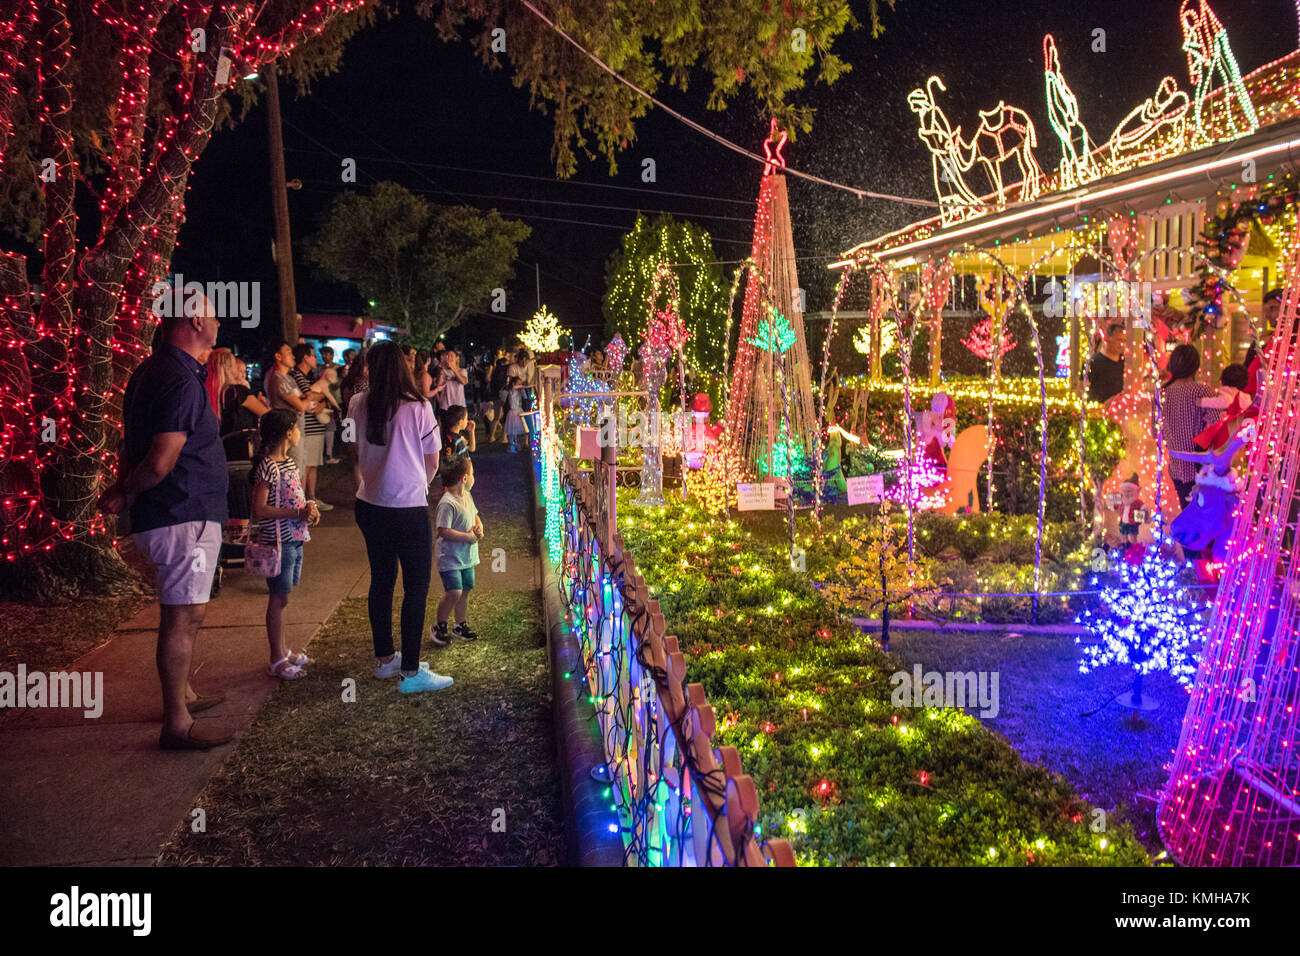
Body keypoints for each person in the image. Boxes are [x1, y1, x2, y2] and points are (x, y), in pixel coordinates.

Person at [99, 295, 233, 750]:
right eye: (213, 313)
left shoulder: (155, 370)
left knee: (183, 611)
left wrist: (125, 490)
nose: (217, 322)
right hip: (182, 513)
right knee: (184, 616)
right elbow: (160, 460)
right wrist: (125, 491)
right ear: (195, 319)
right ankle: (177, 722)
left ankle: (184, 696)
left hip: (177, 512)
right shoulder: (179, 379)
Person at [348, 340, 452, 693]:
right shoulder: (418, 407)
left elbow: (354, 449)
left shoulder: (356, 404)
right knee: (416, 587)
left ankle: (386, 659)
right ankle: (410, 672)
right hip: (407, 507)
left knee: (381, 581)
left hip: (370, 504)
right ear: (403, 368)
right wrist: (417, 483)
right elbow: (433, 459)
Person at [250, 409, 319, 680]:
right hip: (278, 542)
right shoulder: (268, 465)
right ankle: (276, 659)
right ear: (288, 432)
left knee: (284, 597)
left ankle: (283, 650)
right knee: (278, 598)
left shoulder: (289, 464)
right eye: (297, 427)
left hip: (294, 539)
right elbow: (259, 509)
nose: (300, 432)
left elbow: (294, 500)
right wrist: (296, 514)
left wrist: (309, 510)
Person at [431, 454, 482, 646]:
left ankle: (460, 625)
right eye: (472, 473)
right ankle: (440, 626)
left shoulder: (466, 496)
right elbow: (443, 530)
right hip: (450, 558)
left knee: (465, 590)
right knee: (454, 592)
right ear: (464, 478)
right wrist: (467, 537)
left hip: (467, 556)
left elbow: (475, 515)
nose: (474, 477)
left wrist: (479, 528)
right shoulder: (447, 503)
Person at [1161, 343, 1216, 509]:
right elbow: (1215, 426)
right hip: (1201, 465)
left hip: (1176, 464)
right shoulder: (1202, 391)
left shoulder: (1162, 394)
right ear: (1196, 365)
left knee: (1186, 511)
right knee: (1203, 513)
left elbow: (1156, 431)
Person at [264, 341, 322, 490]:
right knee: (293, 472)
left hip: (297, 430)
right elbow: (302, 404)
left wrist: (305, 401)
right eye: (288, 352)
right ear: (278, 356)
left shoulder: (288, 378)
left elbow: (303, 398)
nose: (293, 356)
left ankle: (299, 506)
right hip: (287, 432)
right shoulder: (278, 379)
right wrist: (307, 402)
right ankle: (294, 507)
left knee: (300, 469)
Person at [289, 344, 332, 512]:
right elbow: (309, 397)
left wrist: (321, 399)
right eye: (313, 355)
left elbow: (316, 399)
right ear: (305, 357)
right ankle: (303, 503)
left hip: (315, 427)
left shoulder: (309, 377)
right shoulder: (296, 376)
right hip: (306, 427)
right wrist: (324, 394)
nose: (316, 359)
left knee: (312, 465)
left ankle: (311, 499)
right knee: (305, 466)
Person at [1088, 323, 1125, 403]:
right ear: (1107, 340)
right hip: (1098, 410)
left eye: (1124, 340)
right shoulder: (1094, 362)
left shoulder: (1125, 363)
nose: (1122, 344)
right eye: (1119, 340)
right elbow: (1082, 388)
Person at [318, 346, 342, 465]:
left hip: (337, 400)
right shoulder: (319, 368)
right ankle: (328, 454)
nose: (325, 356)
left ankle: (334, 452)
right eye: (323, 354)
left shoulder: (338, 368)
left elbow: (335, 386)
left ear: (332, 355)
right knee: (329, 427)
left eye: (327, 354)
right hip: (324, 400)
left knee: (337, 426)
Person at [504, 375, 528, 452]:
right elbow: (513, 390)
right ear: (514, 384)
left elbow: (525, 397)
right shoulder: (511, 391)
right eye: (518, 383)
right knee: (512, 430)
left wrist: (522, 390)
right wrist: (520, 387)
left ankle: (517, 444)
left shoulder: (519, 391)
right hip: (513, 412)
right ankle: (511, 445)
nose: (520, 385)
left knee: (518, 430)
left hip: (519, 411)